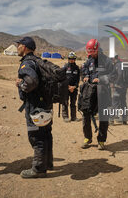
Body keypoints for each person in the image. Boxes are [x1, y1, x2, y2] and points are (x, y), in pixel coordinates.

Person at [15, 36, 53, 178]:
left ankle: (38, 169)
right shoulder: (38, 61)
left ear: (24, 47)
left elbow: (31, 82)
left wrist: (20, 84)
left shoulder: (27, 63)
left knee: (36, 137)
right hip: (45, 105)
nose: (17, 47)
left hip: (35, 106)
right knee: (46, 134)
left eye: (18, 45)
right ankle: (47, 163)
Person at [81, 39, 113, 150]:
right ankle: (87, 137)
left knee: (103, 117)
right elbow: (84, 69)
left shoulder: (107, 61)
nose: (91, 55)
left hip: (102, 92)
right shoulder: (89, 60)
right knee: (86, 115)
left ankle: (101, 140)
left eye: (92, 52)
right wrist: (85, 76)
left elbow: (113, 75)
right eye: (89, 53)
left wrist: (101, 79)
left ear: (97, 50)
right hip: (89, 93)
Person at [110, 55, 128, 125]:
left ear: (114, 59)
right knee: (123, 103)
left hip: (119, 87)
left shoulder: (118, 65)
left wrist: (116, 83)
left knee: (115, 102)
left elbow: (120, 74)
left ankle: (111, 120)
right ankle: (124, 120)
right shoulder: (123, 64)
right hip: (124, 87)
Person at [62, 51, 80, 122]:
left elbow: (78, 79)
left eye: (73, 58)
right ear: (68, 59)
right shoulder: (65, 67)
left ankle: (74, 117)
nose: (71, 60)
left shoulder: (77, 68)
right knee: (65, 102)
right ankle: (65, 117)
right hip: (66, 88)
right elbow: (62, 78)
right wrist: (68, 86)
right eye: (70, 58)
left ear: (75, 59)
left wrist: (74, 87)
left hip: (74, 89)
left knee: (73, 103)